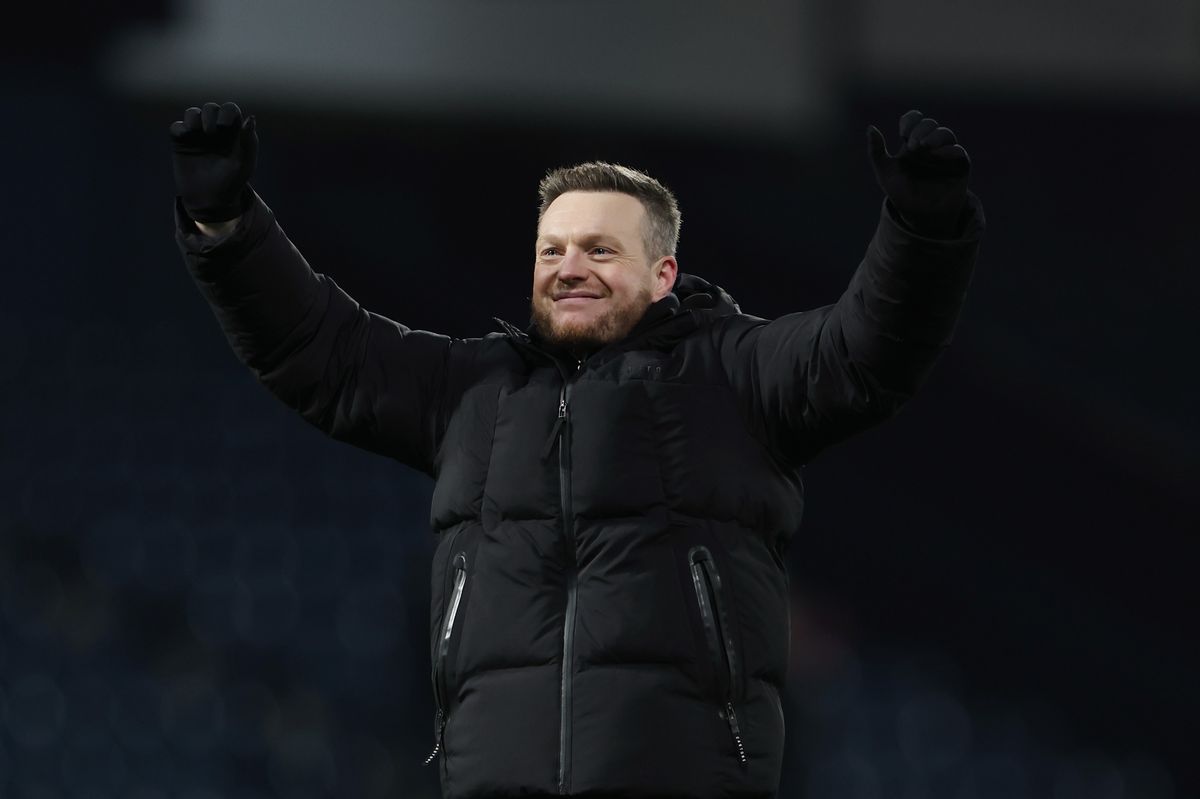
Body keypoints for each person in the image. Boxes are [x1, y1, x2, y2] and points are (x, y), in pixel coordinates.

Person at [170, 101, 985, 799]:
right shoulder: (473, 391)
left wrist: (921, 234)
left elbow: (864, 351)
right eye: (552, 250)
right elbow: (324, 353)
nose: (569, 269)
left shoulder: (737, 376)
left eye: (600, 250)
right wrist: (229, 230)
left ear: (664, 271)